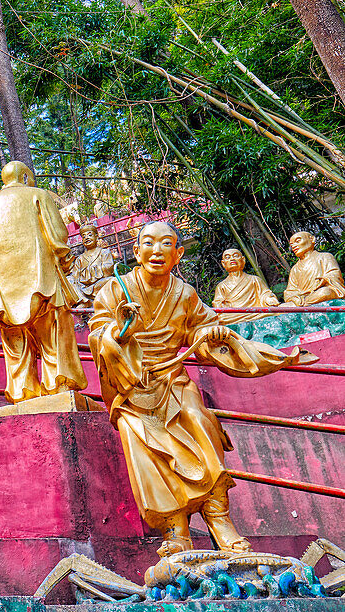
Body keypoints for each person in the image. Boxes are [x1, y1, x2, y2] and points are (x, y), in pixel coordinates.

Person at [90, 222, 315, 557]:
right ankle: (176, 529)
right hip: (133, 388)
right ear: (135, 252)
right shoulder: (114, 289)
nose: (157, 251)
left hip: (173, 381)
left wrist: (215, 336)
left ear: (178, 253)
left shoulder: (184, 294)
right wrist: (120, 332)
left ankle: (219, 518)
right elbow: (98, 333)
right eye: (148, 243)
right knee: (140, 441)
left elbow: (207, 327)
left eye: (166, 243)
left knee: (200, 422)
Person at [0, 161, 87, 404]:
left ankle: (22, 392)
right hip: (42, 282)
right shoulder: (38, 195)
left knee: (15, 346)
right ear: (27, 177)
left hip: (2, 291)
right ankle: (58, 386)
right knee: (53, 336)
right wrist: (64, 257)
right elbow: (57, 235)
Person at [211, 248, 279, 324]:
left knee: (276, 309)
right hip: (233, 315)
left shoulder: (255, 279)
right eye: (228, 257)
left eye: (236, 256)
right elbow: (218, 303)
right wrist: (223, 306)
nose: (232, 259)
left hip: (254, 311)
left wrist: (269, 298)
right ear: (223, 263)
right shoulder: (221, 286)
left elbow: (265, 293)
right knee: (220, 319)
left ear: (243, 260)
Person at [283, 231, 345, 307]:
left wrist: (324, 280)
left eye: (298, 241)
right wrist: (295, 298)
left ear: (312, 239)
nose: (294, 246)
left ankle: (303, 305)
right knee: (282, 306)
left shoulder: (325, 257)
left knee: (325, 292)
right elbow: (290, 291)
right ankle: (304, 303)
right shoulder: (295, 269)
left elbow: (335, 274)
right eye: (292, 245)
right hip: (302, 298)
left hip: (319, 292)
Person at [71, 223, 115, 305]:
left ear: (96, 237)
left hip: (99, 284)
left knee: (111, 280)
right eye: (84, 237)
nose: (86, 238)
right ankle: (84, 302)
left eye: (89, 235)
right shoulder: (79, 259)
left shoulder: (104, 252)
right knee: (69, 280)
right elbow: (75, 277)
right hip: (83, 289)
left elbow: (108, 270)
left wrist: (93, 269)